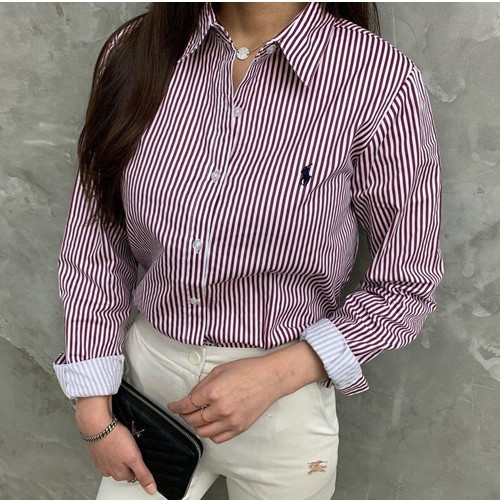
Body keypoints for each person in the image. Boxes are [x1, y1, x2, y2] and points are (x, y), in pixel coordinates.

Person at [52, 2, 444, 499]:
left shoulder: (379, 79)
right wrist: (93, 409)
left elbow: (407, 281)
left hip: (283, 403)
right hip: (147, 392)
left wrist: (280, 373)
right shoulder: (137, 51)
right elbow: (94, 243)